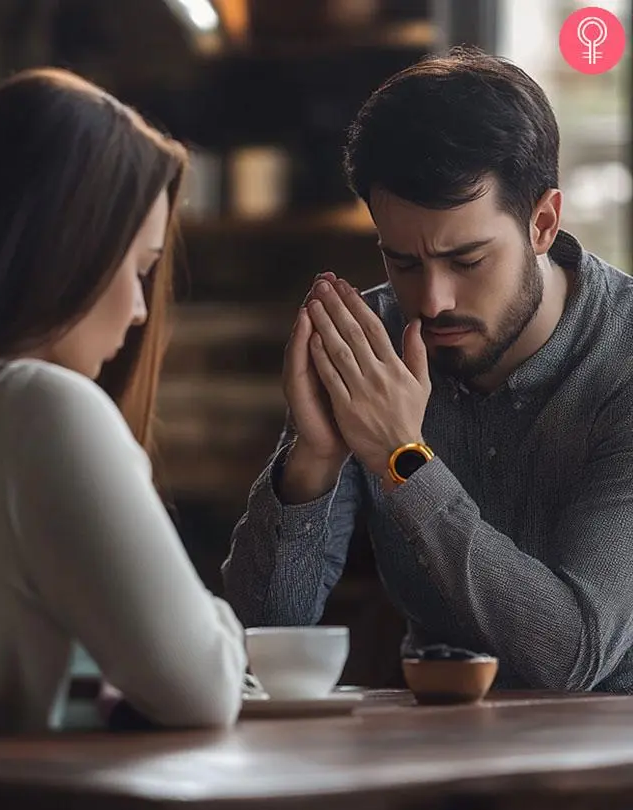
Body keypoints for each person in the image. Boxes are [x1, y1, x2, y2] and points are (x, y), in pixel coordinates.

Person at [223, 47, 633, 692]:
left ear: (544, 222)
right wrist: (312, 460)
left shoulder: (623, 360)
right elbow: (255, 645)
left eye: (467, 260)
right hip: (434, 757)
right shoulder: (375, 344)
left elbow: (572, 657)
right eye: (403, 263)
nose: (433, 300)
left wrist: (402, 459)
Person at [0, 68, 246, 737]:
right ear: (66, 249)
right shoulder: (38, 407)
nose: (139, 310)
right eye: (139, 268)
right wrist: (220, 622)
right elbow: (203, 685)